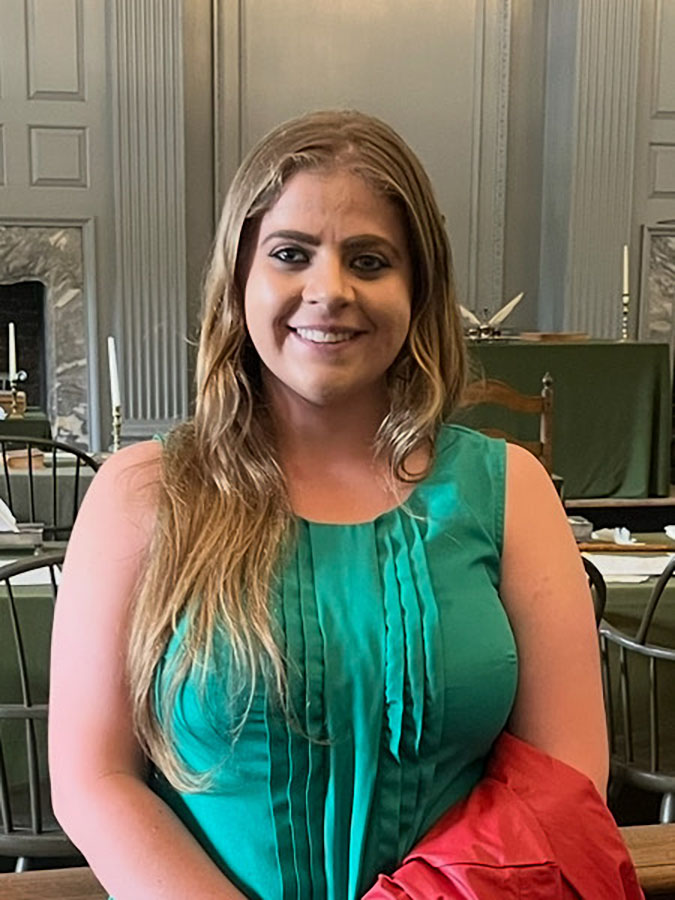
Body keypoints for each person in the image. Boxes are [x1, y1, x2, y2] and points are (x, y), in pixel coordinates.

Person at [49, 109, 610, 900]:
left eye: (370, 260)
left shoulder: (509, 488)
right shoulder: (141, 494)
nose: (330, 290)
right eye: (290, 254)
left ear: (417, 289)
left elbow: (564, 776)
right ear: (239, 276)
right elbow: (94, 778)